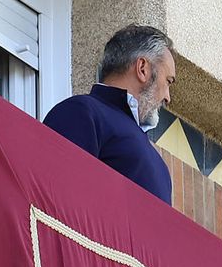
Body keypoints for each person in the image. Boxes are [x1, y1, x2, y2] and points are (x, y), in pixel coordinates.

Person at [42, 25, 175, 202]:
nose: (167, 98)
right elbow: (55, 198)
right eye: (168, 81)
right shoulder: (82, 112)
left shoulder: (160, 165)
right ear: (143, 68)